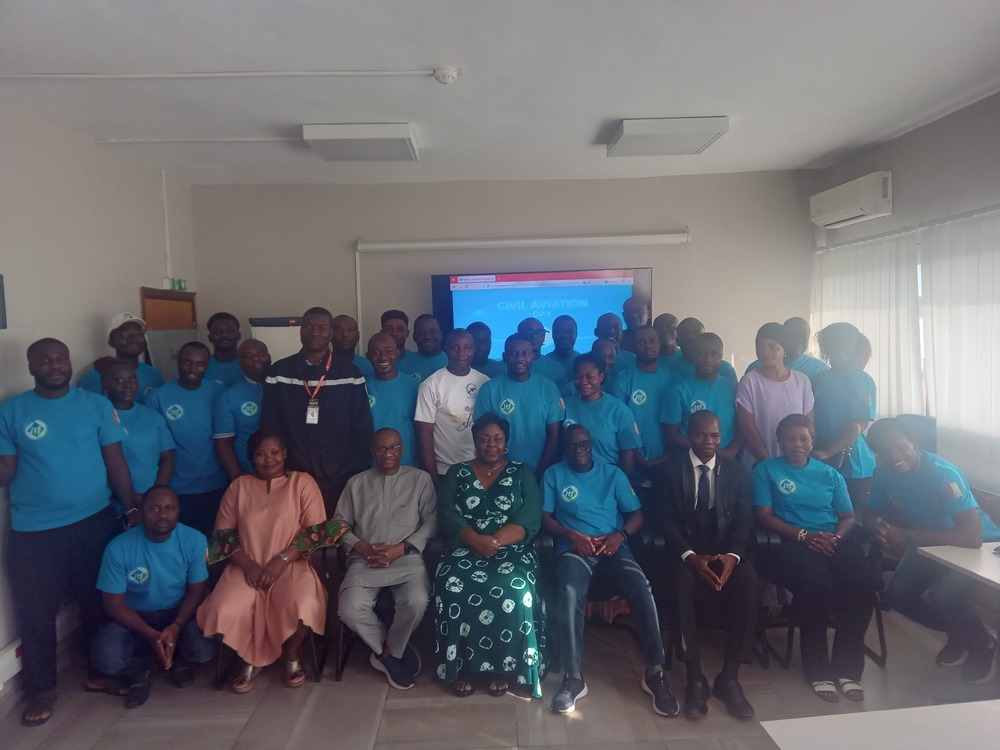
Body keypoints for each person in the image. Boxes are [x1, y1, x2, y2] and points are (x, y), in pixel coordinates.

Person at [0, 338, 134, 727]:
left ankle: (99, 672)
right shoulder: (12, 411)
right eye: (45, 360)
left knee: (97, 603)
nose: (55, 365)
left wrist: (131, 507)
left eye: (61, 358)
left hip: (94, 521)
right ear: (31, 367)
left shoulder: (96, 405)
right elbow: (6, 471)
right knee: (35, 613)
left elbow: (115, 462)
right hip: (33, 531)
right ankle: (40, 688)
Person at [542, 425, 677, 716]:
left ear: (591, 446)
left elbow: (636, 515)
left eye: (584, 444)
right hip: (575, 550)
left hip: (612, 548)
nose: (578, 450)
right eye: (572, 445)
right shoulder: (554, 474)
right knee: (569, 593)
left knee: (641, 588)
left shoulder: (613, 474)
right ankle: (573, 677)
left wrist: (620, 536)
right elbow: (545, 518)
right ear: (564, 448)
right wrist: (571, 535)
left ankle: (655, 673)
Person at [197, 430, 341, 693]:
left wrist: (281, 560)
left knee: (304, 606)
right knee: (222, 610)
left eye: (275, 452)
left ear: (285, 454)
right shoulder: (239, 487)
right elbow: (221, 538)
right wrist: (248, 565)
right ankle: (250, 655)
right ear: (252, 458)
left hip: (291, 565)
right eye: (261, 454)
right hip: (245, 568)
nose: (269, 459)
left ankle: (291, 653)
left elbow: (317, 532)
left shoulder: (302, 482)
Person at [752, 414, 875, 703]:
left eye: (803, 439)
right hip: (789, 543)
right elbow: (764, 516)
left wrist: (836, 539)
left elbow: (848, 517)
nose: (798, 444)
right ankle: (818, 669)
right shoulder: (765, 470)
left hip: (833, 540)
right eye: (791, 439)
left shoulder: (829, 474)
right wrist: (803, 536)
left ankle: (848, 669)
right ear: (780, 442)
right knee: (815, 584)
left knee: (862, 583)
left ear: (812, 441)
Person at [866, 417, 1000, 683]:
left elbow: (972, 536)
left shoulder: (942, 474)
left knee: (944, 596)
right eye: (885, 451)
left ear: (914, 443)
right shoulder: (882, 473)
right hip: (930, 544)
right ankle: (961, 633)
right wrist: (879, 529)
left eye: (900, 446)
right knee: (897, 595)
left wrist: (905, 535)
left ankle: (980, 642)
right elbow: (871, 513)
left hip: (977, 547)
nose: (894, 456)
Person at [433, 413, 546, 698]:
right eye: (484, 439)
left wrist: (493, 542)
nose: (491, 444)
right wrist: (474, 540)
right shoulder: (457, 472)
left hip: (512, 550)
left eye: (498, 439)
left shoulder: (522, 472)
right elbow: (446, 513)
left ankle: (503, 669)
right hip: (464, 547)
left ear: (506, 442)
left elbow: (530, 516)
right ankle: (463, 669)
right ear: (475, 441)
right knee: (453, 586)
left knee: (516, 590)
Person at [661, 410, 758, 719]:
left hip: (724, 553)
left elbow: (744, 522)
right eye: (702, 435)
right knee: (679, 586)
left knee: (750, 584)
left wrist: (732, 556)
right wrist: (690, 556)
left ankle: (729, 678)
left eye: (715, 436)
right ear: (690, 436)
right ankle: (695, 678)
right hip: (686, 554)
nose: (709, 442)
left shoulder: (735, 471)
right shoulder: (669, 470)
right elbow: (664, 522)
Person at [91, 486, 214, 708]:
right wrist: (149, 633)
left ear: (178, 511)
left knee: (203, 651)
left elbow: (197, 591)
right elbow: (114, 604)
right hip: (135, 619)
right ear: (142, 511)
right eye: (154, 509)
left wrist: (176, 626)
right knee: (106, 659)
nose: (162, 515)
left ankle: (177, 657)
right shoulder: (118, 548)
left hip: (178, 614)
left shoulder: (194, 540)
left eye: (170, 508)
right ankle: (141, 668)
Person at [336, 428, 438, 690]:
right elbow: (339, 524)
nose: (388, 454)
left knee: (417, 601)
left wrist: (401, 549)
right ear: (373, 452)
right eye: (381, 449)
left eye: (393, 447)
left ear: (402, 449)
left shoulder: (420, 479)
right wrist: (361, 547)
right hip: (365, 560)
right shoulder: (356, 483)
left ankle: (389, 652)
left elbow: (432, 521)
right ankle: (389, 653)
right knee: (349, 608)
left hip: (406, 558)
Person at [261, 306, 374, 514]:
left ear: (330, 334)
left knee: (337, 527)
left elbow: (362, 426)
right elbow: (270, 424)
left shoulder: (350, 373)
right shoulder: (280, 372)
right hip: (294, 470)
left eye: (322, 328)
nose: (314, 332)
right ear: (300, 332)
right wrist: (280, 467)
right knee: (299, 527)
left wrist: (358, 469)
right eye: (309, 327)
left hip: (340, 472)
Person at [146, 341, 228, 537]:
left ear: (207, 365)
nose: (193, 368)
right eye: (187, 362)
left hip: (216, 484)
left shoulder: (219, 393)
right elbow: (153, 448)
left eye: (200, 363)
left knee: (215, 545)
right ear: (178, 362)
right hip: (177, 488)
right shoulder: (158, 397)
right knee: (181, 543)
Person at [475, 333, 564, 477]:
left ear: (532, 356)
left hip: (539, 470)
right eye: (514, 353)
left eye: (525, 353)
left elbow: (554, 434)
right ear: (504, 357)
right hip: (498, 473)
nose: (520, 358)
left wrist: (541, 473)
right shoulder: (489, 389)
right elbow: (482, 435)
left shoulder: (549, 388)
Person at [811, 323, 876, 510]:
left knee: (850, 516)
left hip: (852, 462)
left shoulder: (862, 380)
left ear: (855, 346)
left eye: (845, 343)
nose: (839, 347)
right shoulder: (821, 378)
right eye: (834, 342)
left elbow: (859, 423)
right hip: (823, 457)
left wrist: (828, 451)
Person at [414, 328, 489, 487]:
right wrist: (433, 481)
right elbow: (424, 434)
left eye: (467, 347)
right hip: (445, 471)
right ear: (446, 349)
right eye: (455, 347)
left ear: (474, 349)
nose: (461, 353)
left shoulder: (485, 382)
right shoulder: (431, 385)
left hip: (481, 468)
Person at [737, 322, 814, 470]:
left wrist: (798, 460)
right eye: (761, 347)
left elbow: (808, 424)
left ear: (784, 348)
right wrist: (769, 464)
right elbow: (747, 427)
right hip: (759, 462)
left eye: (773, 347)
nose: (766, 352)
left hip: (795, 463)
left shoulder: (802, 380)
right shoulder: (749, 381)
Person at [102, 359, 175, 513]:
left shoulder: (152, 416)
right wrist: (132, 498)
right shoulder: (98, 417)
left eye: (132, 379)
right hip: (110, 504)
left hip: (152, 503)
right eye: (119, 380)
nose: (128, 385)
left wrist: (154, 494)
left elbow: (167, 458)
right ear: (104, 384)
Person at [609, 325, 674, 494]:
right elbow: (619, 428)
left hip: (670, 469)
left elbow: (678, 428)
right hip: (632, 469)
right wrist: (639, 460)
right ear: (633, 346)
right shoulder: (622, 382)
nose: (648, 346)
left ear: (659, 343)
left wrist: (666, 458)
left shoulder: (675, 381)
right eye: (642, 342)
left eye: (652, 341)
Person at [661, 333, 743, 460]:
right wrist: (706, 452)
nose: (708, 359)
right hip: (689, 462)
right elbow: (671, 434)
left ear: (721, 357)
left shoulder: (735, 388)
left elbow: (742, 425)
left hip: (727, 460)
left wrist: (732, 451)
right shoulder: (678, 391)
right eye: (703, 354)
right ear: (694, 355)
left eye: (715, 355)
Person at [563, 353, 641, 477]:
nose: (584, 382)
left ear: (601, 377)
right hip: (570, 478)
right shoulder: (565, 406)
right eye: (578, 377)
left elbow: (628, 453)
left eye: (590, 377)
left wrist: (619, 482)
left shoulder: (619, 411)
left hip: (606, 478)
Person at [214, 338, 271, 480]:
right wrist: (237, 475)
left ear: (269, 357)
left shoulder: (286, 387)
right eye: (248, 356)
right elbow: (224, 442)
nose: (256, 359)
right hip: (249, 473)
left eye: (260, 353)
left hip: (287, 472)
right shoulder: (228, 397)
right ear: (240, 363)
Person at [79, 313, 164, 401]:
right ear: (111, 342)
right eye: (124, 335)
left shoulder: (154, 375)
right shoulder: (94, 377)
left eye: (138, 334)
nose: (133, 339)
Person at [365, 332, 420, 467]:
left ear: (398, 353)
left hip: (408, 465)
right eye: (376, 353)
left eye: (389, 351)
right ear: (368, 356)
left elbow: (423, 430)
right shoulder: (361, 386)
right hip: (372, 467)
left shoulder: (415, 386)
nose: (383, 357)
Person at [744, 317, 830, 382]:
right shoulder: (756, 368)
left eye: (803, 336)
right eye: (792, 335)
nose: (798, 341)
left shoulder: (820, 369)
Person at [671, 317, 737, 381]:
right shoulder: (671, 368)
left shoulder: (725, 369)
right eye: (685, 334)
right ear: (677, 341)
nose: (691, 337)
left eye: (696, 333)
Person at [517, 317, 568, 390]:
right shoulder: (504, 367)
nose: (535, 336)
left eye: (540, 332)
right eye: (530, 332)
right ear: (519, 334)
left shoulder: (556, 368)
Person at [397, 313, 448, 383]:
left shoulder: (452, 362)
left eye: (432, 332)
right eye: (421, 333)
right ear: (414, 337)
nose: (428, 337)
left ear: (440, 335)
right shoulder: (401, 367)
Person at [203, 312, 243, 388]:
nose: (224, 335)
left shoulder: (250, 365)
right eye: (217, 332)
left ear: (239, 335)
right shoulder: (202, 366)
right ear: (210, 338)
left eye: (230, 331)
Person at [594, 312, 637, 381]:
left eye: (616, 328)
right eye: (606, 327)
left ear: (622, 332)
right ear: (596, 332)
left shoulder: (634, 361)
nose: (612, 331)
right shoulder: (585, 362)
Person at [332, 313, 375, 379]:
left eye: (350, 330)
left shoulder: (370, 366)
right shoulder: (321, 365)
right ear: (330, 335)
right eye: (339, 330)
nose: (345, 334)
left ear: (358, 336)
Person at [545, 314, 582, 382]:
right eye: (560, 332)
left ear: (576, 334)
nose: (565, 336)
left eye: (569, 332)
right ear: (553, 334)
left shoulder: (584, 363)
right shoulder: (543, 364)